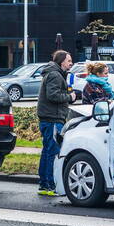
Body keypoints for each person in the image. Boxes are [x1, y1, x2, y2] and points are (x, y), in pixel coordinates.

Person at [36, 50, 76, 196]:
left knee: (47, 151)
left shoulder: (55, 73)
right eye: (69, 60)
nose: (71, 63)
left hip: (49, 118)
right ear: (61, 62)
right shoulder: (55, 75)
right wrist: (69, 97)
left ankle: (44, 184)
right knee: (52, 152)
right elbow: (52, 95)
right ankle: (49, 185)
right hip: (52, 118)